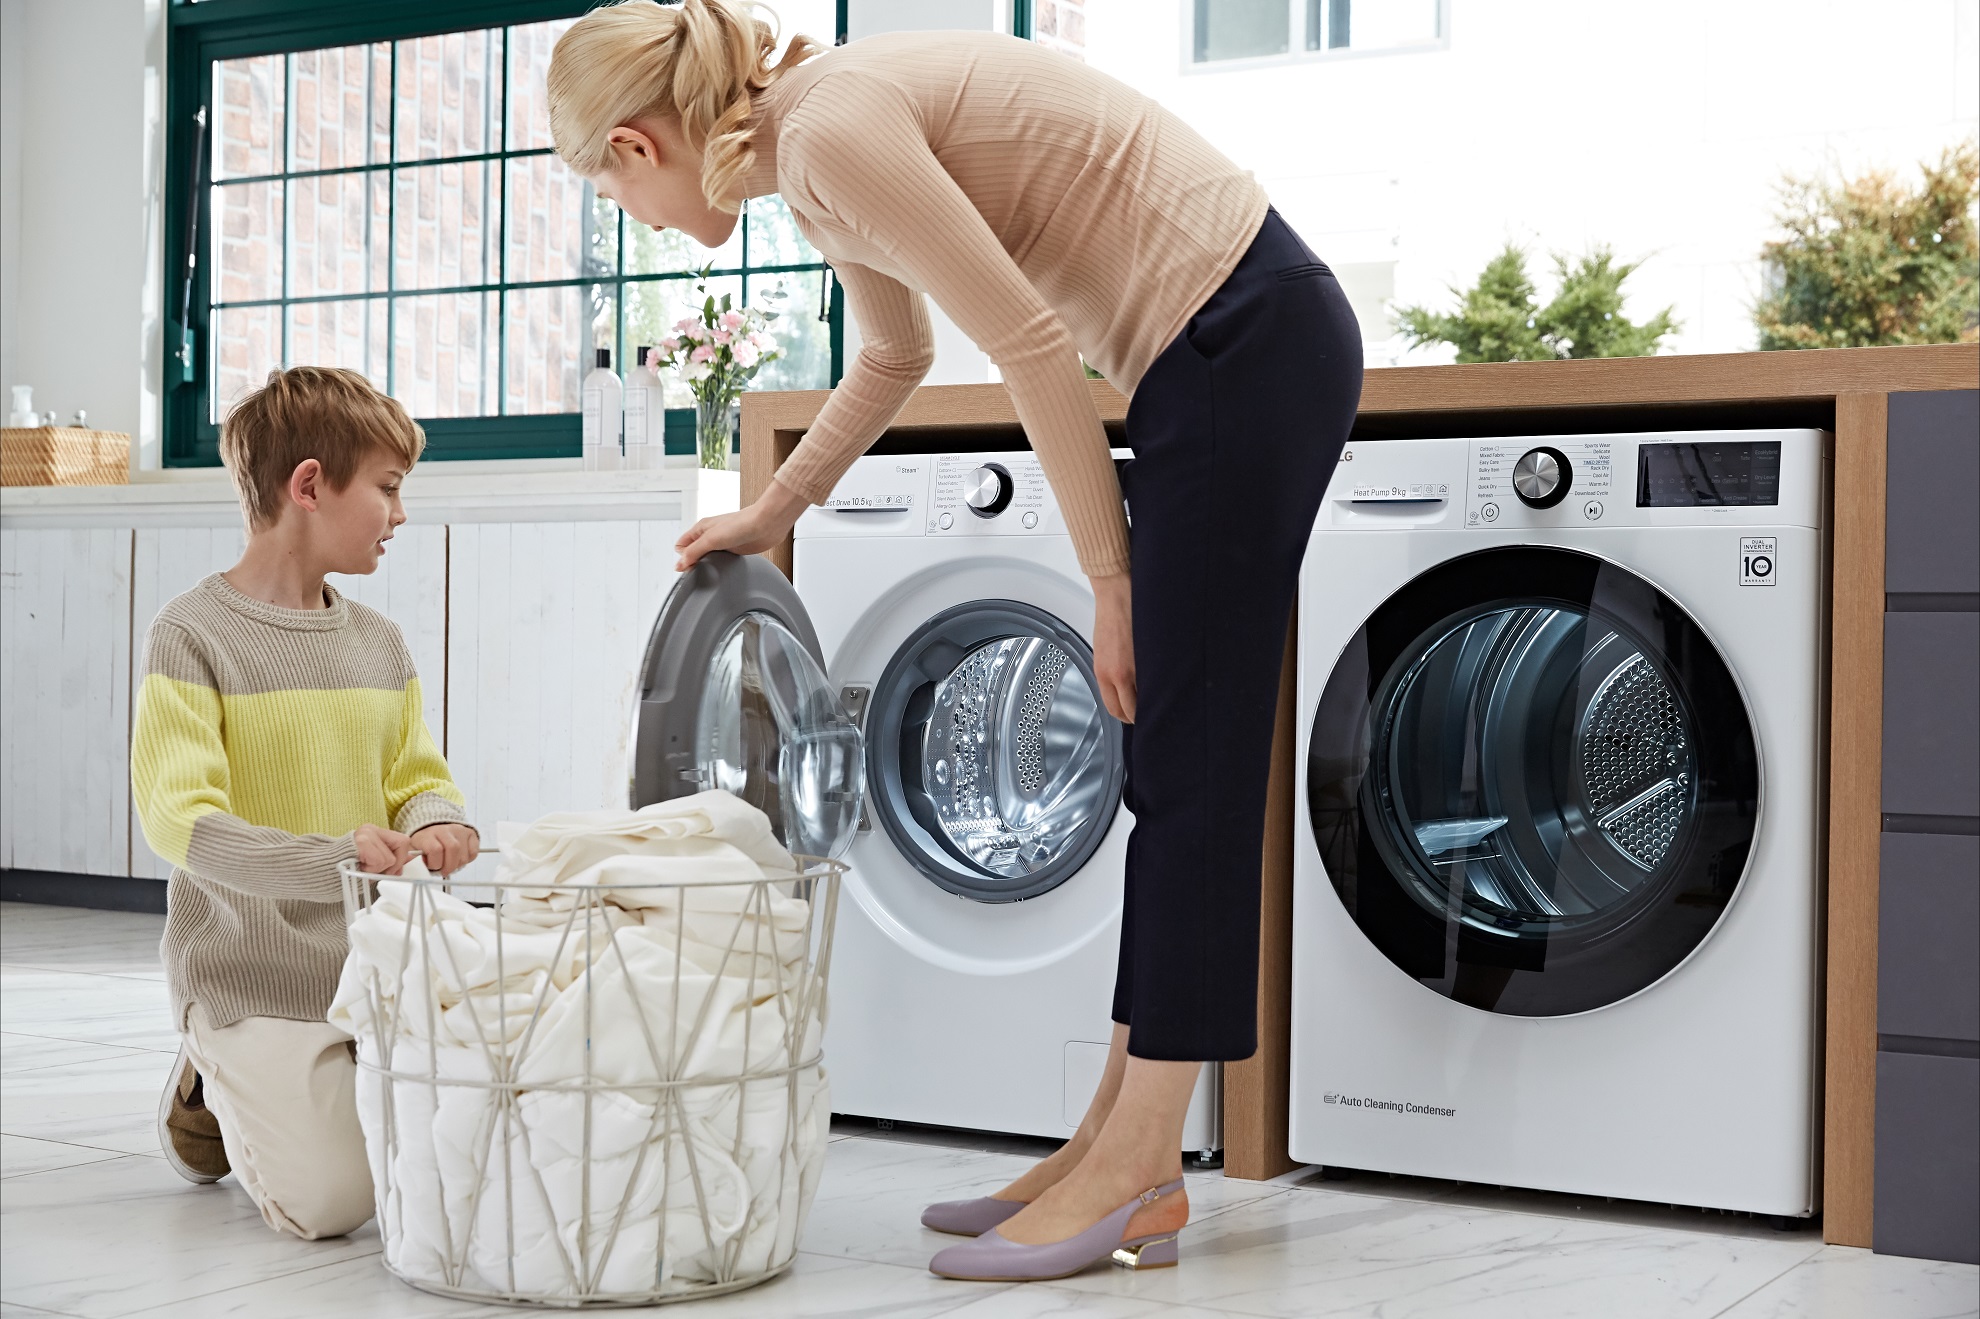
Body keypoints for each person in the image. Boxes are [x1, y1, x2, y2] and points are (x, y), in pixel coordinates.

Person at [548, 0, 1362, 1281]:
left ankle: (1141, 1165)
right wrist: (777, 507)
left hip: (1239, 340)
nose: (628, 213)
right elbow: (897, 353)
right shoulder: (809, 152)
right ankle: (1107, 1138)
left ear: (636, 147)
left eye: (607, 187)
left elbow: (1030, 340)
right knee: (1170, 766)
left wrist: (1108, 579)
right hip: (1218, 349)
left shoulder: (829, 134)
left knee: (1193, 768)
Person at [133, 366, 479, 1239]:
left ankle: (292, 1079)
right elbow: (179, 818)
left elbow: (415, 773)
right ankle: (209, 1063)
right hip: (253, 974)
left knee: (465, 1153)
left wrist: (436, 819)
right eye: (388, 488)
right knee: (330, 1203)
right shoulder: (192, 635)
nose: (401, 513)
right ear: (311, 486)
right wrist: (333, 860)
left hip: (375, 961)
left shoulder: (380, 642)